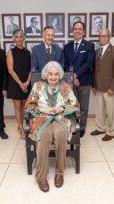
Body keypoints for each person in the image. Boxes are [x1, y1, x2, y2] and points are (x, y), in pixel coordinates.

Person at [25, 61, 79, 192]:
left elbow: (75, 103)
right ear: (46, 75)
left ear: (59, 75)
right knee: (44, 136)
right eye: (50, 74)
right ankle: (41, 177)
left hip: (61, 117)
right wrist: (43, 111)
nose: (53, 77)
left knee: (61, 134)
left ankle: (59, 172)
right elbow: (30, 104)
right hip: (41, 117)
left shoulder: (65, 86)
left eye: (56, 74)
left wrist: (61, 108)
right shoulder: (38, 85)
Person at [64, 21, 95, 137]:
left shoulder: (89, 46)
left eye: (80, 29)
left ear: (83, 32)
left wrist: (76, 75)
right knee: (72, 106)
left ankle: (81, 127)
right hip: (71, 83)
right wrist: (72, 77)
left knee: (83, 106)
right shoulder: (67, 47)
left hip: (84, 81)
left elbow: (88, 64)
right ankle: (73, 125)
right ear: (73, 31)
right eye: (75, 29)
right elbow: (65, 64)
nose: (77, 31)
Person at [91, 29, 114, 141]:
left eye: (105, 36)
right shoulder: (96, 51)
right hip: (98, 87)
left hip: (109, 88)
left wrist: (113, 87)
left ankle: (111, 132)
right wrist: (94, 85)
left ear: (109, 37)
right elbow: (94, 70)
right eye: (101, 36)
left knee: (111, 111)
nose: (102, 38)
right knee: (99, 110)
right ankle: (100, 128)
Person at [6, 29, 32, 139]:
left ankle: (26, 126)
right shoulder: (11, 52)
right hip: (15, 83)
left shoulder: (28, 52)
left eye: (21, 36)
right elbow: (10, 70)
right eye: (16, 37)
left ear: (24, 38)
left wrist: (27, 82)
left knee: (25, 107)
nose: (19, 39)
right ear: (14, 39)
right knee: (18, 107)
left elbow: (32, 68)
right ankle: (21, 128)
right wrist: (20, 83)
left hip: (26, 83)